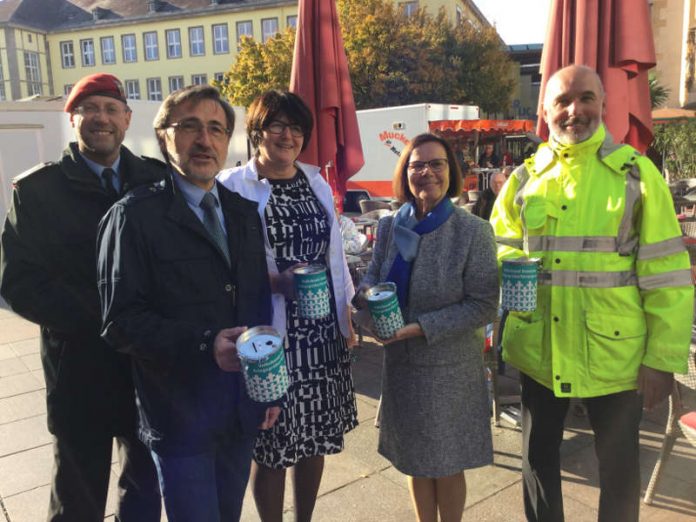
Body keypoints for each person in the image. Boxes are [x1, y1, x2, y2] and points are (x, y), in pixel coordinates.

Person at [490, 64, 694, 521]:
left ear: (603, 104)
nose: (573, 110)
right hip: (539, 349)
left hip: (615, 356)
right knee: (538, 463)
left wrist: (662, 359)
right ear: (546, 111)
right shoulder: (524, 179)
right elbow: (498, 247)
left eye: (585, 98)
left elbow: (667, 274)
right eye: (561, 101)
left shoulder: (637, 176)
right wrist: (508, 269)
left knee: (619, 471)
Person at [96, 84, 279, 521]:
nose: (205, 140)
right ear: (163, 137)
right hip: (179, 415)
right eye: (190, 127)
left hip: (239, 409)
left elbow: (255, 301)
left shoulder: (241, 210)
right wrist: (204, 343)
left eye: (217, 129)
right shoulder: (133, 216)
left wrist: (270, 383)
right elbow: (120, 320)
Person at [0, 73, 162, 521]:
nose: (101, 119)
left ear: (128, 119)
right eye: (89, 108)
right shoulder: (38, 191)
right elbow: (18, 282)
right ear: (70, 118)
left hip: (148, 367)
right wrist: (105, 319)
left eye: (111, 109)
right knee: (77, 495)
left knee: (146, 487)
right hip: (79, 368)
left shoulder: (156, 181)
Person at [218, 90, 357, 522]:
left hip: (320, 335)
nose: (288, 135)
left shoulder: (314, 182)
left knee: (315, 438)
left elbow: (334, 256)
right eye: (277, 125)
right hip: (271, 336)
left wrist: (346, 313)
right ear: (257, 130)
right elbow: (221, 265)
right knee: (273, 444)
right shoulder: (232, 186)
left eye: (297, 127)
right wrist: (276, 281)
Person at [355, 133, 499, 522]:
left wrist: (418, 327)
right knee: (415, 460)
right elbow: (371, 278)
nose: (427, 172)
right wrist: (367, 301)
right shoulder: (389, 227)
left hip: (449, 367)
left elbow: (484, 305)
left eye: (437, 164)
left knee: (448, 461)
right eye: (417, 165)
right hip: (402, 365)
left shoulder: (473, 232)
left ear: (451, 172)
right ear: (406, 173)